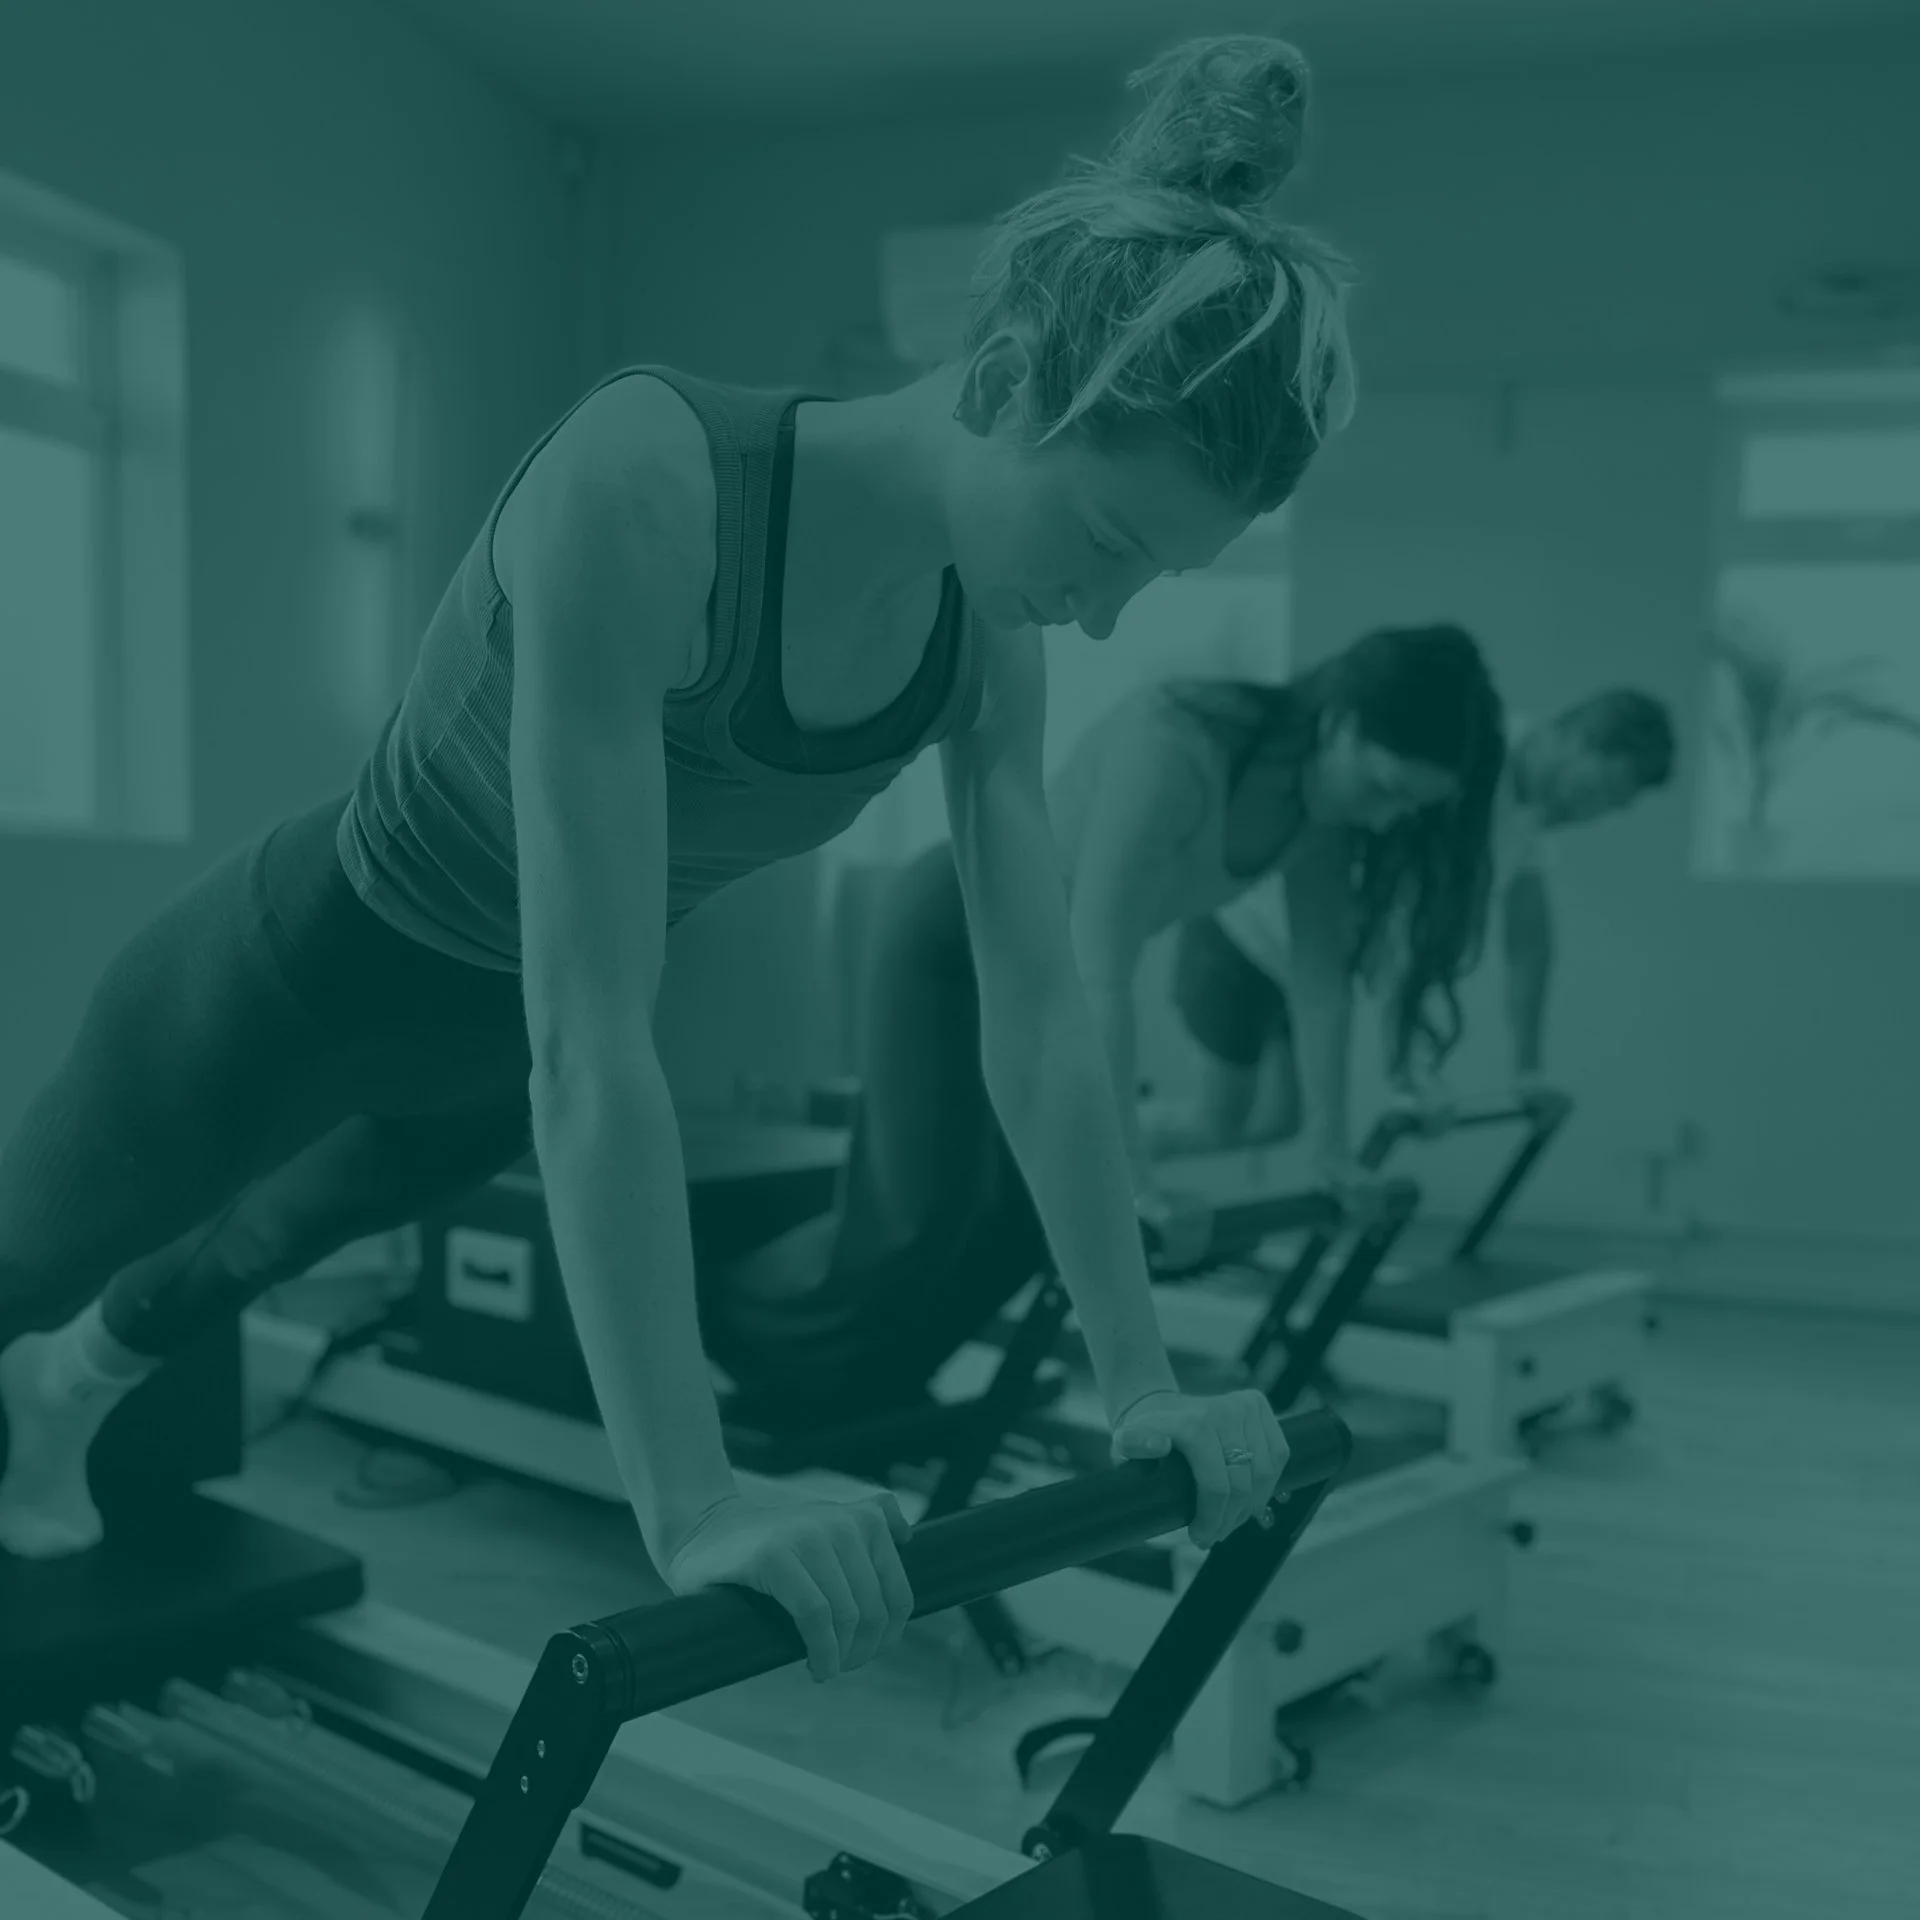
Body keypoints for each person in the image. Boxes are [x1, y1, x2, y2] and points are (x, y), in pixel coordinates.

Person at [0, 37, 1355, 1685]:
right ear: (1008, 383)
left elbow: (1043, 1015)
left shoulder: (986, 636)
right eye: (1109, 542)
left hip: (479, 1060)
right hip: (300, 969)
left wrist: (1142, 1380)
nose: (1108, 614)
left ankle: (57, 1400)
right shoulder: (647, 480)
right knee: (27, 1258)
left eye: (1154, 579)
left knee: (235, 1263)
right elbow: (593, 1038)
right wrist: (691, 1496)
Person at [706, 624, 1505, 1419]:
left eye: (1409, 807)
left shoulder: (1322, 819)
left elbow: (1321, 986)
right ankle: (718, 1320)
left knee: (1027, 1223)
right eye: (1387, 787)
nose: (1387, 819)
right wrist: (1132, 1180)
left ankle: (863, 1383)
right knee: (921, 1216)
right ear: (1341, 720)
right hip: (949, 941)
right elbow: (1101, 975)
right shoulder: (1178, 742)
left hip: (1035, 977)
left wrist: (1332, 1152)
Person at [1153, 684, 1677, 1161]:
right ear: (1574, 737)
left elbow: (1528, 943)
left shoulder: (1531, 811)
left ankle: (1125, 1162)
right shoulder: (1472, 767)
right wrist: (1411, 1074)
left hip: (1307, 967)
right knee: (1218, 1120)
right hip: (1245, 938)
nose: (1592, 812)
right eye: (1600, 789)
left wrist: (1528, 1071)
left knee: (1277, 1121)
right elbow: (1405, 924)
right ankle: (1115, 1170)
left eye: (1610, 806)